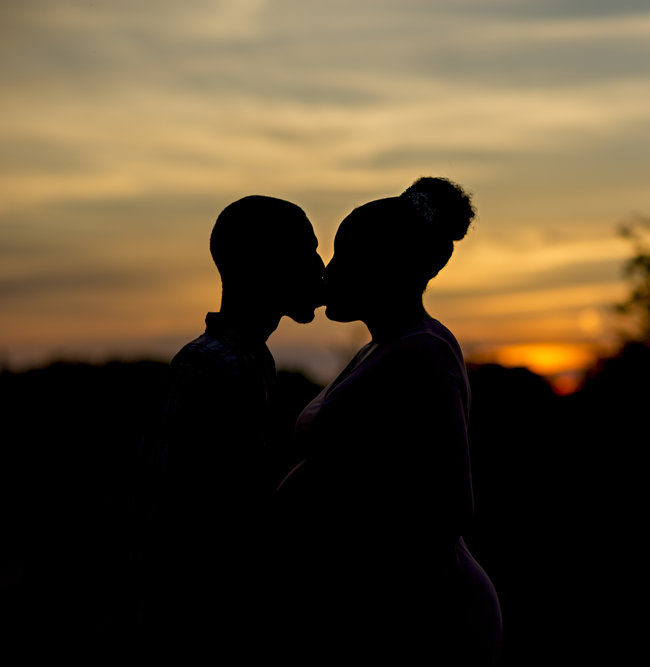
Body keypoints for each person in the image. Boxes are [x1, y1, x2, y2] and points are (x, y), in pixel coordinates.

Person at [273, 177, 502, 665]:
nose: (330, 272)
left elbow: (452, 508)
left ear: (382, 267)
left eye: (343, 257)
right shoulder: (381, 347)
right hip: (384, 612)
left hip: (429, 619)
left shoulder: (425, 351)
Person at [139, 195, 325, 652]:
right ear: (265, 265)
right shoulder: (213, 367)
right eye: (306, 251)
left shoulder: (247, 359)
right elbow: (199, 519)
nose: (321, 267)